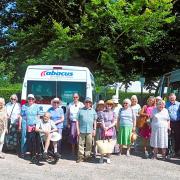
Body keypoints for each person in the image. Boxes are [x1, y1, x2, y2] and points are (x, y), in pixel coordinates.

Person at [76, 97, 97, 163]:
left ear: (91, 103)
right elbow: (77, 121)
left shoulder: (93, 111)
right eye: (86, 102)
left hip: (90, 130)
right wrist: (78, 130)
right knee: (80, 144)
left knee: (89, 144)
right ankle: (80, 157)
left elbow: (95, 121)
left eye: (89, 102)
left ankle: (87, 156)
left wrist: (94, 129)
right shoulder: (80, 110)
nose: (88, 103)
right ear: (84, 103)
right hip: (81, 130)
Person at [99, 99, 117, 164]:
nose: (109, 106)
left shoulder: (114, 113)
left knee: (110, 144)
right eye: (108, 104)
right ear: (106, 105)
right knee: (103, 143)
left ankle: (108, 157)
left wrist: (108, 127)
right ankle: (101, 157)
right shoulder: (103, 112)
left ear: (112, 106)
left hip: (111, 129)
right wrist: (104, 127)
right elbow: (102, 120)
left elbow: (115, 122)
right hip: (103, 129)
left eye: (110, 104)